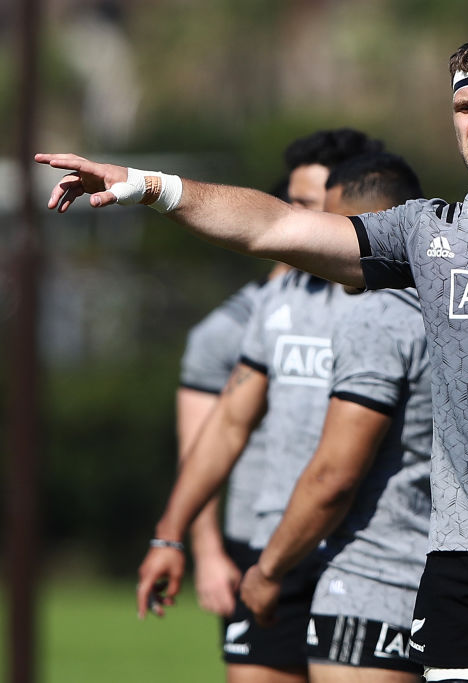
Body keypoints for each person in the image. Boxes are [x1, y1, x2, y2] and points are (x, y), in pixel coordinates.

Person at [38, 32, 468, 683]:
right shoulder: (429, 230)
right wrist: (149, 185)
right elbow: (277, 226)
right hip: (457, 550)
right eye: (464, 108)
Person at [173, 128, 385, 682]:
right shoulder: (257, 315)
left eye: (310, 207)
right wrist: (192, 542)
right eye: (289, 203)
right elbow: (217, 432)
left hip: (365, 553)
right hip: (264, 542)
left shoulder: (398, 307)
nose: (295, 218)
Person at [238, 152, 433, 683]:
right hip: (459, 588)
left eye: (327, 224)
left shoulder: (378, 316)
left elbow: (333, 476)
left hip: (373, 586)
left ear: (363, 229)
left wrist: (268, 569)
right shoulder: (458, 309)